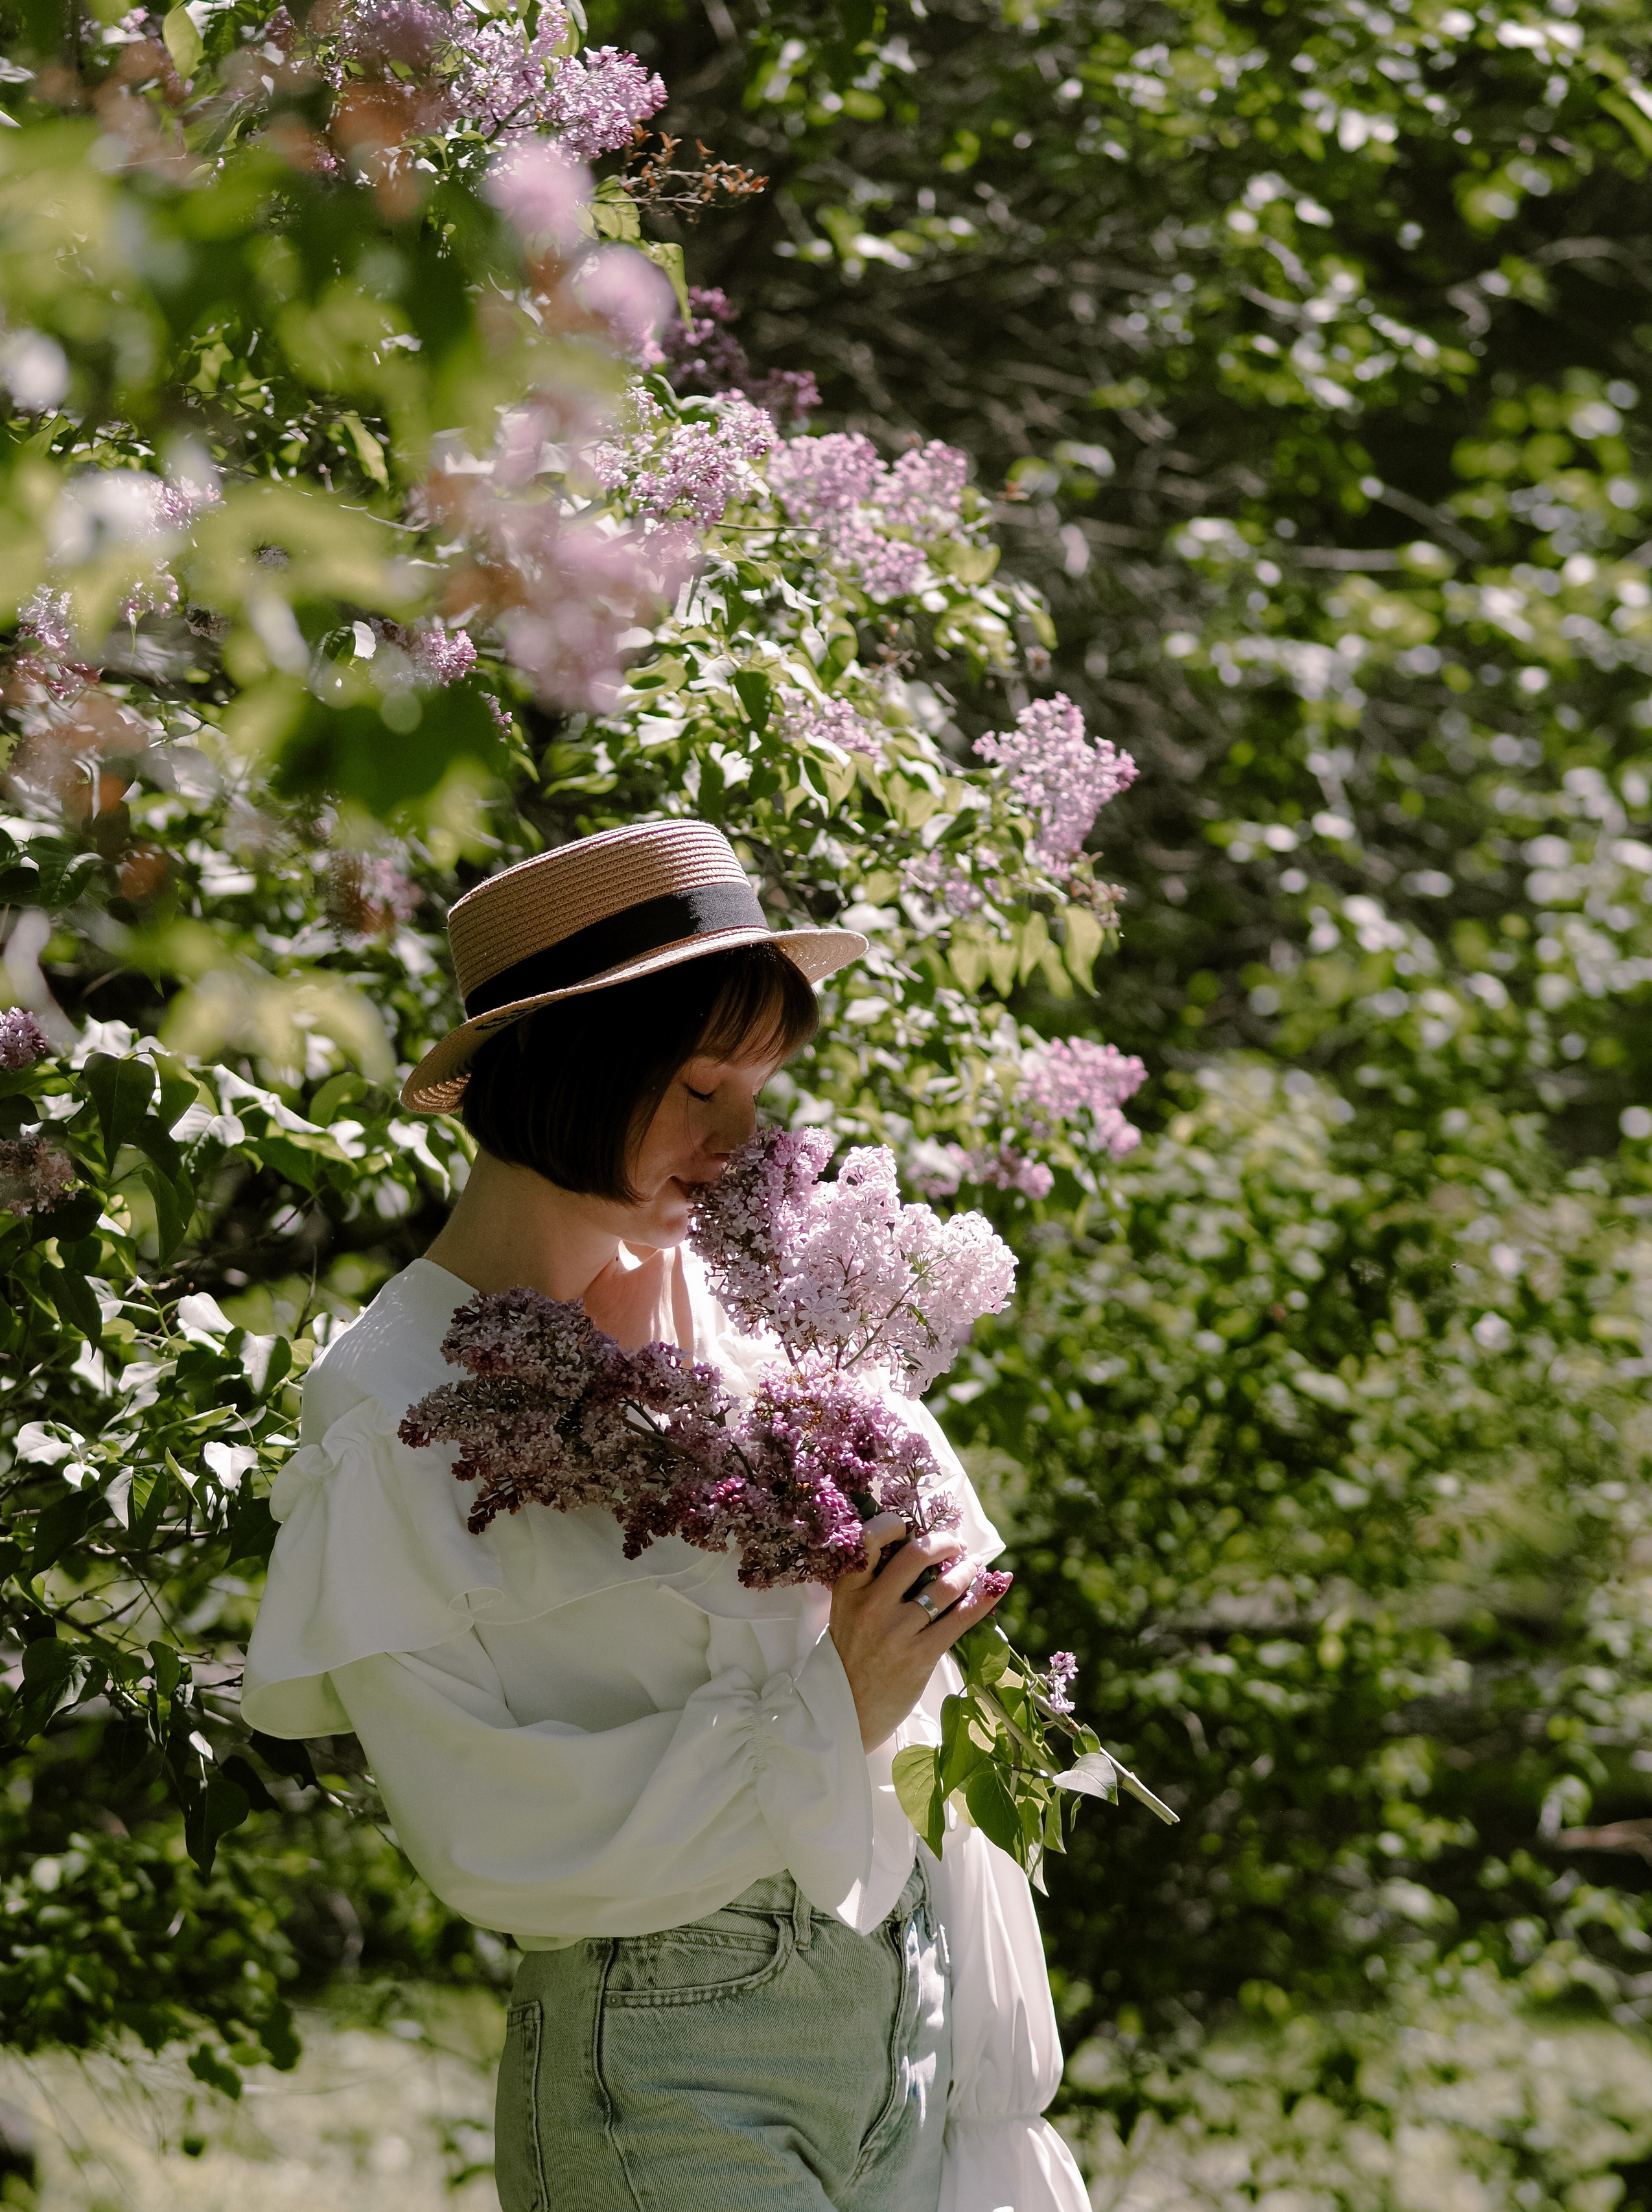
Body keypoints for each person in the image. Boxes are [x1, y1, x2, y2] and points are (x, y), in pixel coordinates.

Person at [245, 819, 1091, 2212]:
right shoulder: (390, 1406)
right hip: (673, 2066)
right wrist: (837, 1706)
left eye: (758, 1086)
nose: (742, 1137)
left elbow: (938, 1614)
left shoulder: (758, 1306)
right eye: (702, 1084)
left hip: (918, 2022)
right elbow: (485, 1833)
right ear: (573, 1070)